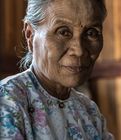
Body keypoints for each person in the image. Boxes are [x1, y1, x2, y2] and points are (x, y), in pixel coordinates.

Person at [0, 0, 114, 139]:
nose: (79, 50)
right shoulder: (7, 101)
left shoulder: (89, 110)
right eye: (63, 32)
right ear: (29, 35)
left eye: (91, 33)